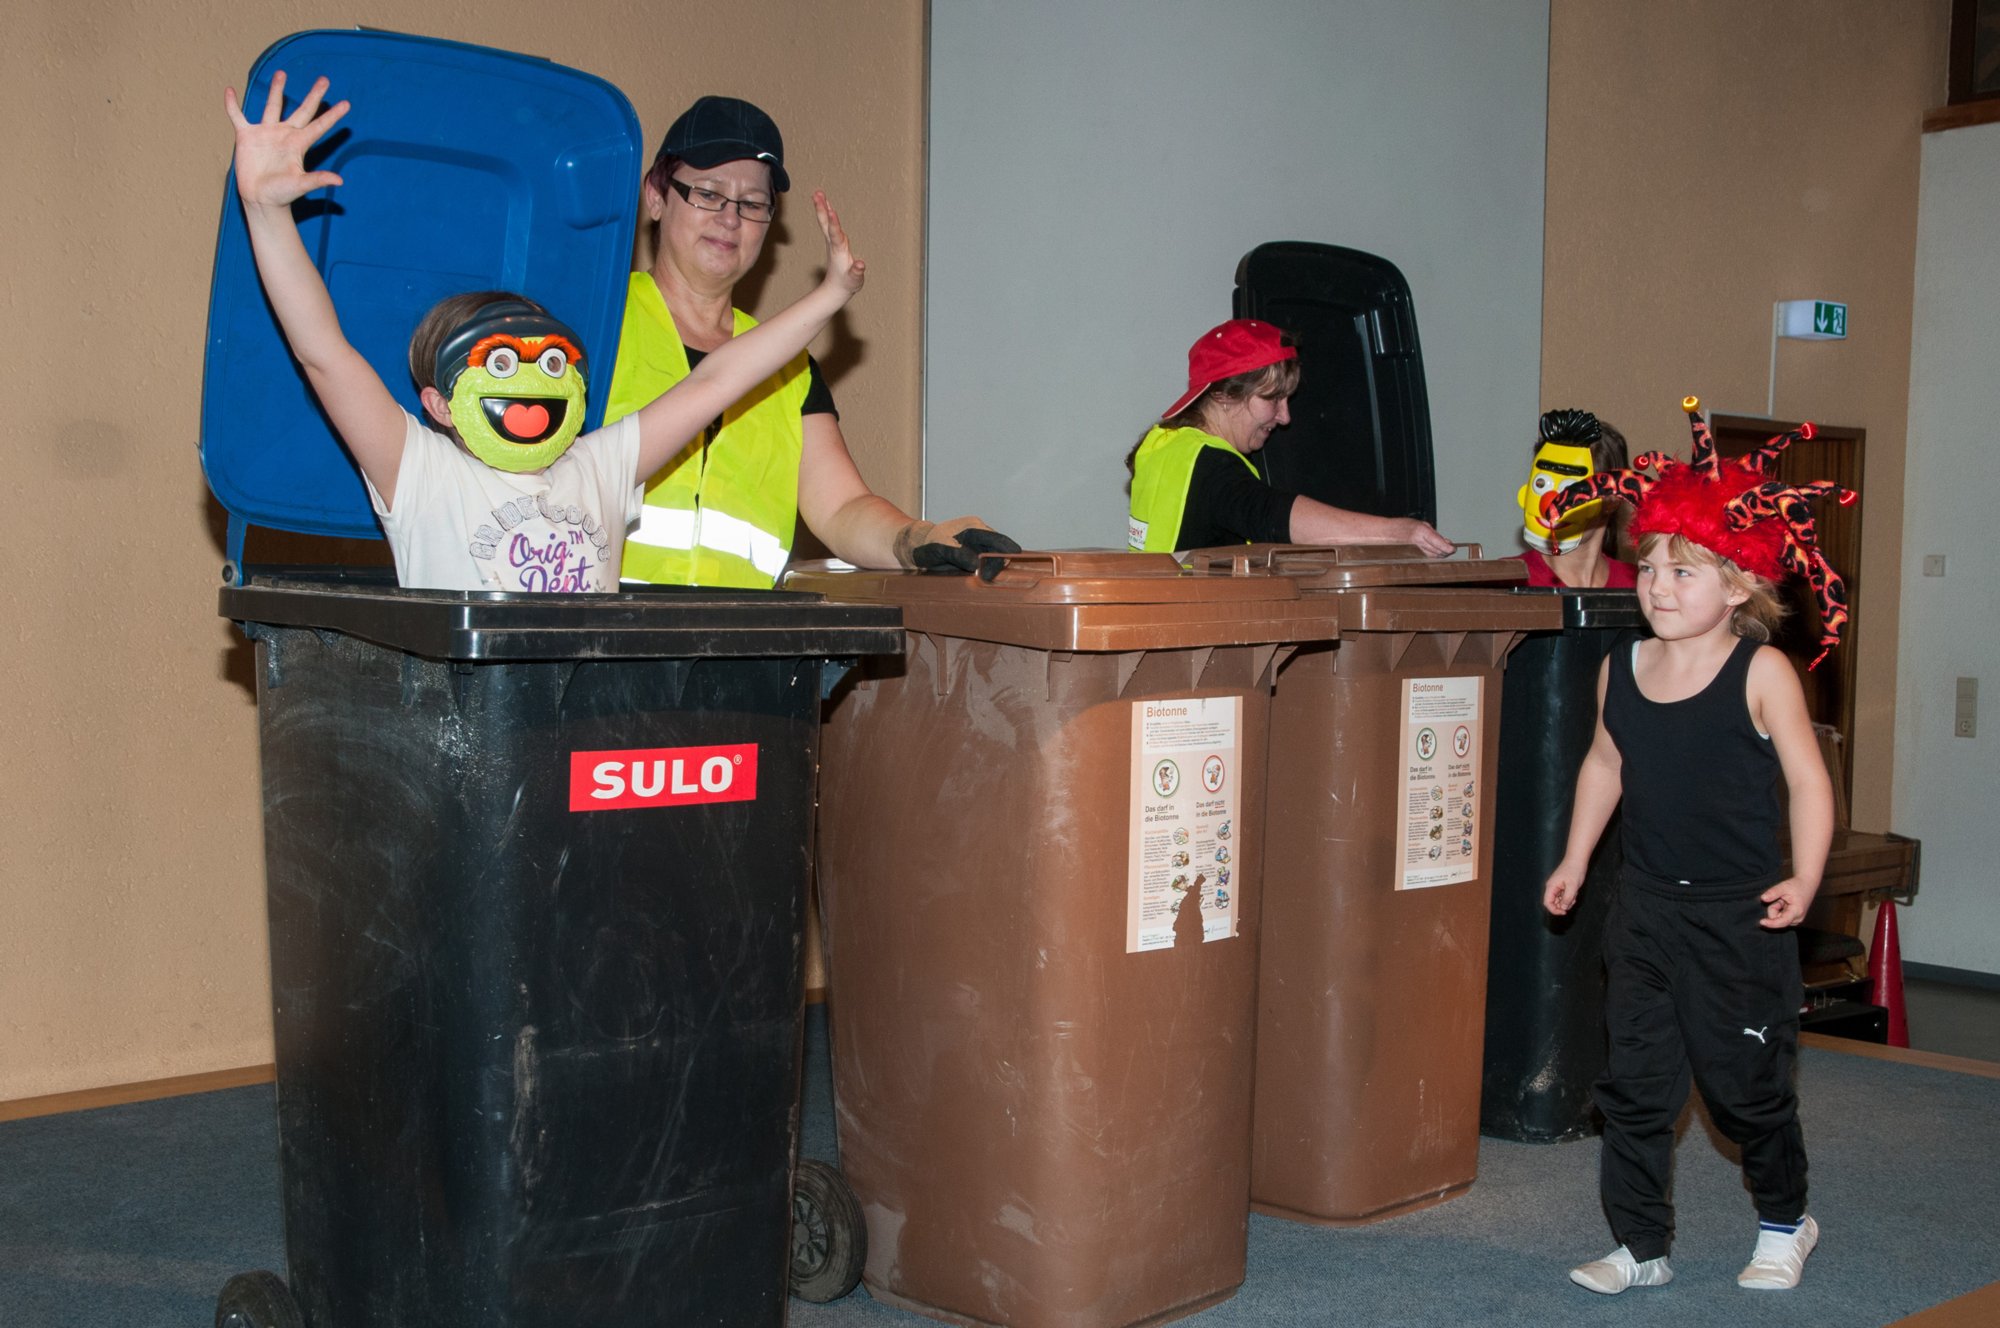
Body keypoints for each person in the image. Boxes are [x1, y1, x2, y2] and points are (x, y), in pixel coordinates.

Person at [225, 74, 865, 593]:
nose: (536, 379)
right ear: (440, 403)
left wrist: (831, 295)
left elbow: (722, 377)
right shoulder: (418, 472)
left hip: (594, 732)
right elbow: (324, 355)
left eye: (554, 363)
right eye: (501, 364)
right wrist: (266, 208)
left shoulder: (604, 468)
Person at [1541, 398, 1849, 1296]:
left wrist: (1806, 876)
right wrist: (1573, 858)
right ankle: (1641, 1245)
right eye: (1652, 569)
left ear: (1741, 585)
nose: (1660, 587)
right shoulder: (1621, 670)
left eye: (1686, 572)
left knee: (1744, 1090)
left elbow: (1808, 781)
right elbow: (1605, 764)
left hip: (1739, 916)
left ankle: (1788, 1222)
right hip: (1645, 910)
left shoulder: (1762, 673)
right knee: (1634, 1087)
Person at [605, 95, 1014, 585]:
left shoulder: (790, 368)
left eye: (752, 204)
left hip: (741, 648)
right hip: (601, 641)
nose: (730, 219)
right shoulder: (592, 323)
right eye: (708, 194)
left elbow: (843, 508)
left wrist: (919, 539)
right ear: (655, 195)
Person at [1126, 319, 1455, 555]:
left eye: (1288, 399)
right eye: (1272, 399)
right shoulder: (1209, 464)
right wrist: (1397, 532)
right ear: (1223, 395)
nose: (1285, 417)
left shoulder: (1163, 447)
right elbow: (1272, 515)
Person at [1515, 408, 1638, 588]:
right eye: (1541, 485)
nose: (1550, 503)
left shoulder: (1640, 586)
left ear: (1612, 499)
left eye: (1570, 489)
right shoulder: (1505, 582)